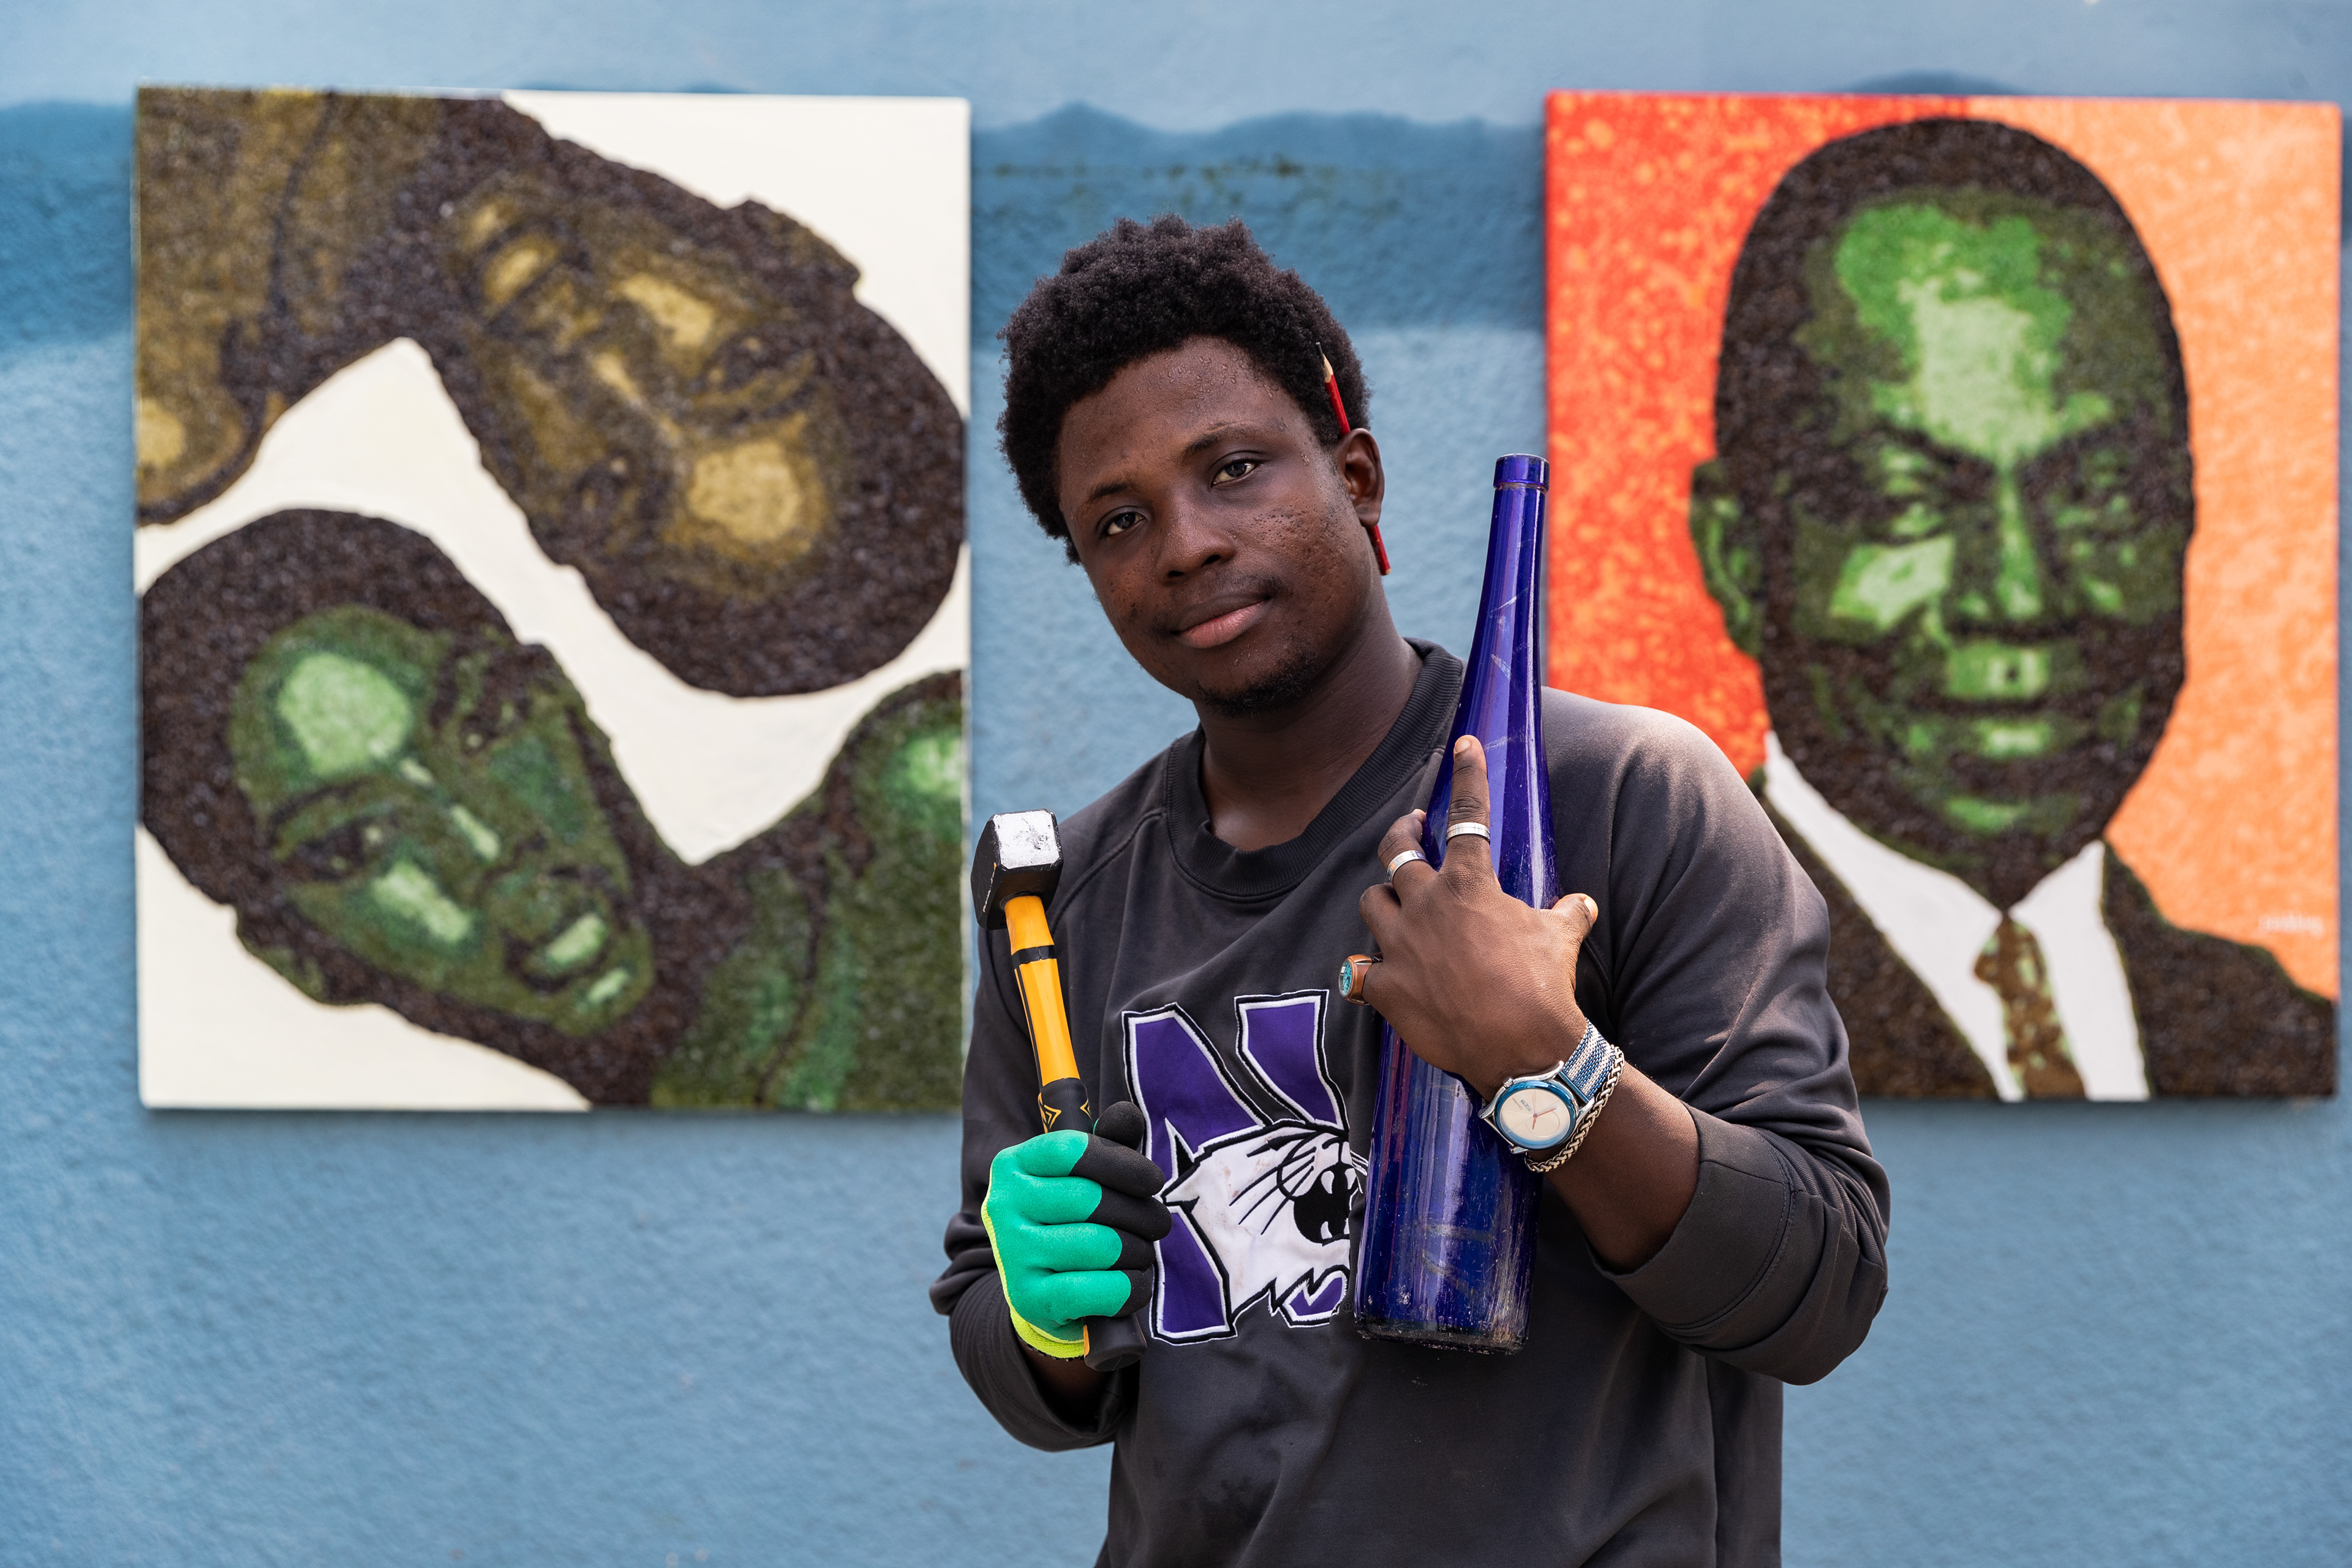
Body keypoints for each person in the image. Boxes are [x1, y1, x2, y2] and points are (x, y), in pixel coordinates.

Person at [932, 216, 1888, 1566]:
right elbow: (1020, 1348)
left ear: (1358, 477)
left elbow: (1822, 1284)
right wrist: (1043, 1320)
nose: (1189, 543)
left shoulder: (1623, 798)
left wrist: (1548, 1069)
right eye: (1121, 519)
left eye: (1237, 467)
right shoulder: (1062, 898)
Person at [1688, 118, 2333, 1100]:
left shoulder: (2272, 1031)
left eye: (2101, 496)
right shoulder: (1660, 1015)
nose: (2019, 597)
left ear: (2185, 514)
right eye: (1908, 502)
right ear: (1741, 558)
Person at [135, 86, 963, 697]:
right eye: (737, 367)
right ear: (789, 247)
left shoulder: (172, 385)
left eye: (605, 489)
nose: (599, 364)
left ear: (518, 491)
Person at [140, 508, 966, 1109]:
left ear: (566, 709)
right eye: (360, 842)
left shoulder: (926, 807)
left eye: (486, 726)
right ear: (301, 960)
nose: (491, 845)